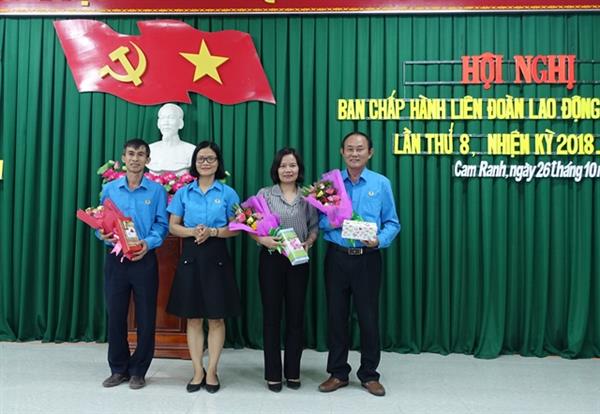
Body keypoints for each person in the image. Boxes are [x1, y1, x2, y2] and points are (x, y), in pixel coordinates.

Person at [317, 132, 400, 397]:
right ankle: (338, 372)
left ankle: (369, 374)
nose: (355, 153)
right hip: (337, 257)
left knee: (368, 317)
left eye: (360, 149)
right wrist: (335, 220)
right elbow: (319, 222)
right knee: (336, 316)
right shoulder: (329, 185)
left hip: (367, 259)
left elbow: (392, 223)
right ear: (342, 152)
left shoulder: (381, 183)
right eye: (350, 149)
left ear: (370, 152)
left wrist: (379, 241)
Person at [166, 141, 242, 393]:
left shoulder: (228, 193)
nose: (205, 163)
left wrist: (214, 232)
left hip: (217, 255)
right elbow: (173, 226)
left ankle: (212, 371)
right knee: (194, 317)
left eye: (210, 158)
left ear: (218, 163)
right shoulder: (183, 193)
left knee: (216, 317)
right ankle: (197, 370)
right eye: (201, 159)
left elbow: (237, 227)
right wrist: (192, 232)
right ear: (194, 163)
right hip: (191, 255)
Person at [98, 138, 169, 390]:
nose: (135, 158)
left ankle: (139, 370)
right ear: (123, 158)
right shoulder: (110, 189)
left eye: (140, 154)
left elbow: (162, 225)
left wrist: (147, 244)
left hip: (143, 259)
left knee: (146, 317)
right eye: (131, 154)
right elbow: (101, 222)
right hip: (116, 259)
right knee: (115, 315)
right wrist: (102, 234)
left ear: (148, 160)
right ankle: (118, 369)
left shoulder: (157, 191)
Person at [251, 148, 319, 392]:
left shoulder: (308, 196)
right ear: (276, 169)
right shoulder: (264, 195)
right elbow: (251, 225)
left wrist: (309, 241)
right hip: (271, 260)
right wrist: (262, 240)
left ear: (299, 169)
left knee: (296, 317)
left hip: (298, 260)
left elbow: (314, 227)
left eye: (292, 165)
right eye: (283, 165)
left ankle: (293, 372)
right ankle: (273, 374)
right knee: (271, 317)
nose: (288, 170)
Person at [146, 103, 196, 174]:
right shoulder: (150, 149)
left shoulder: (191, 150)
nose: (166, 123)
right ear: (158, 123)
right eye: (162, 118)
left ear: (181, 123)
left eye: (171, 118)